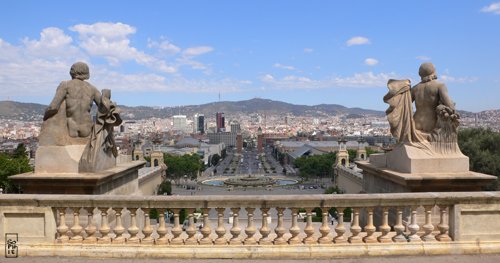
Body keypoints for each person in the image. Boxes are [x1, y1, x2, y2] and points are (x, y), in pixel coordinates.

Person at [43, 62, 101, 138]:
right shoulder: (92, 89)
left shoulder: (65, 85)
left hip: (71, 127)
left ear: (72, 72)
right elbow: (104, 106)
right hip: (87, 128)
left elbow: (53, 107)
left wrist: (45, 118)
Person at [411, 62, 457, 137]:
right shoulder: (439, 86)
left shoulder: (414, 88)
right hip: (431, 124)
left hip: (416, 123)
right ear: (433, 71)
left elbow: (406, 105)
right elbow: (451, 107)